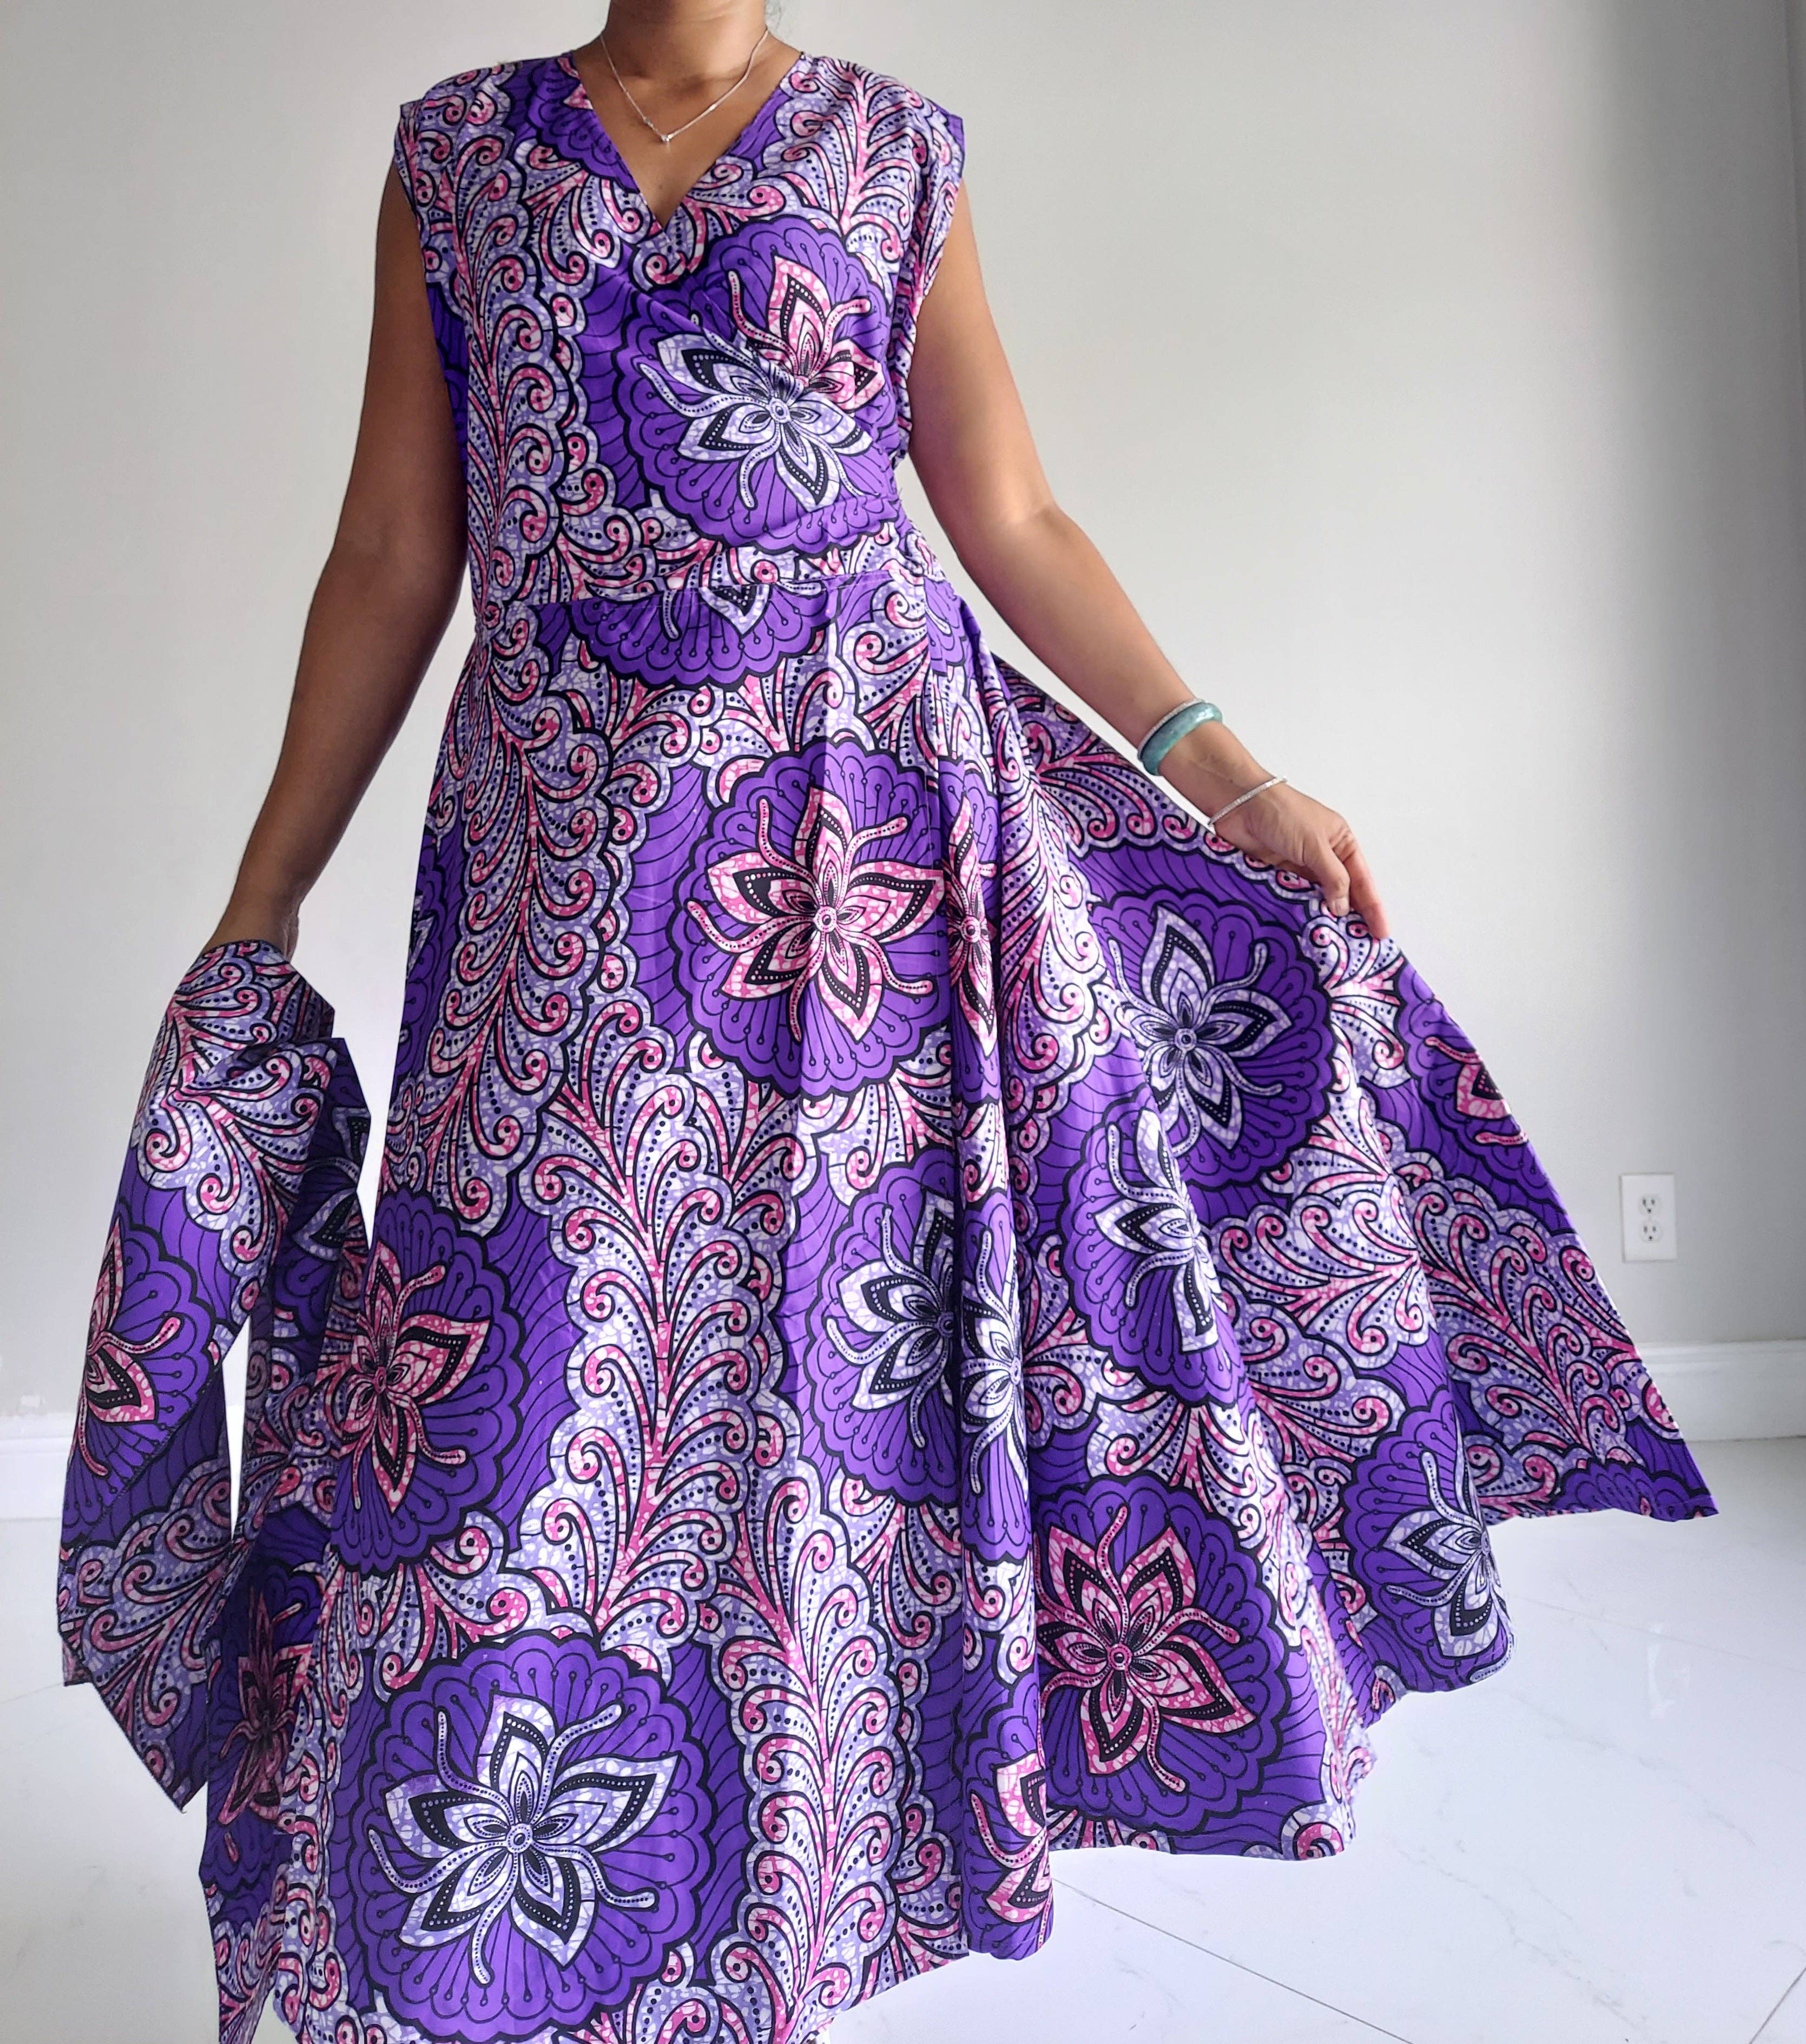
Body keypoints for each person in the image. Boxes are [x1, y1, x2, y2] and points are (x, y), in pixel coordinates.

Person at [59, 8, 1713, 2042]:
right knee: (508, 1370)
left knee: (837, 1395)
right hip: (559, 853)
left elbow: (1007, 516)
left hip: (870, 842)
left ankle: (785, 1902)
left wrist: (1227, 771)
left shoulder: (895, 146)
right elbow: (397, 550)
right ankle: (461, 1921)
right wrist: (263, 895)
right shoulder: (457, 152)